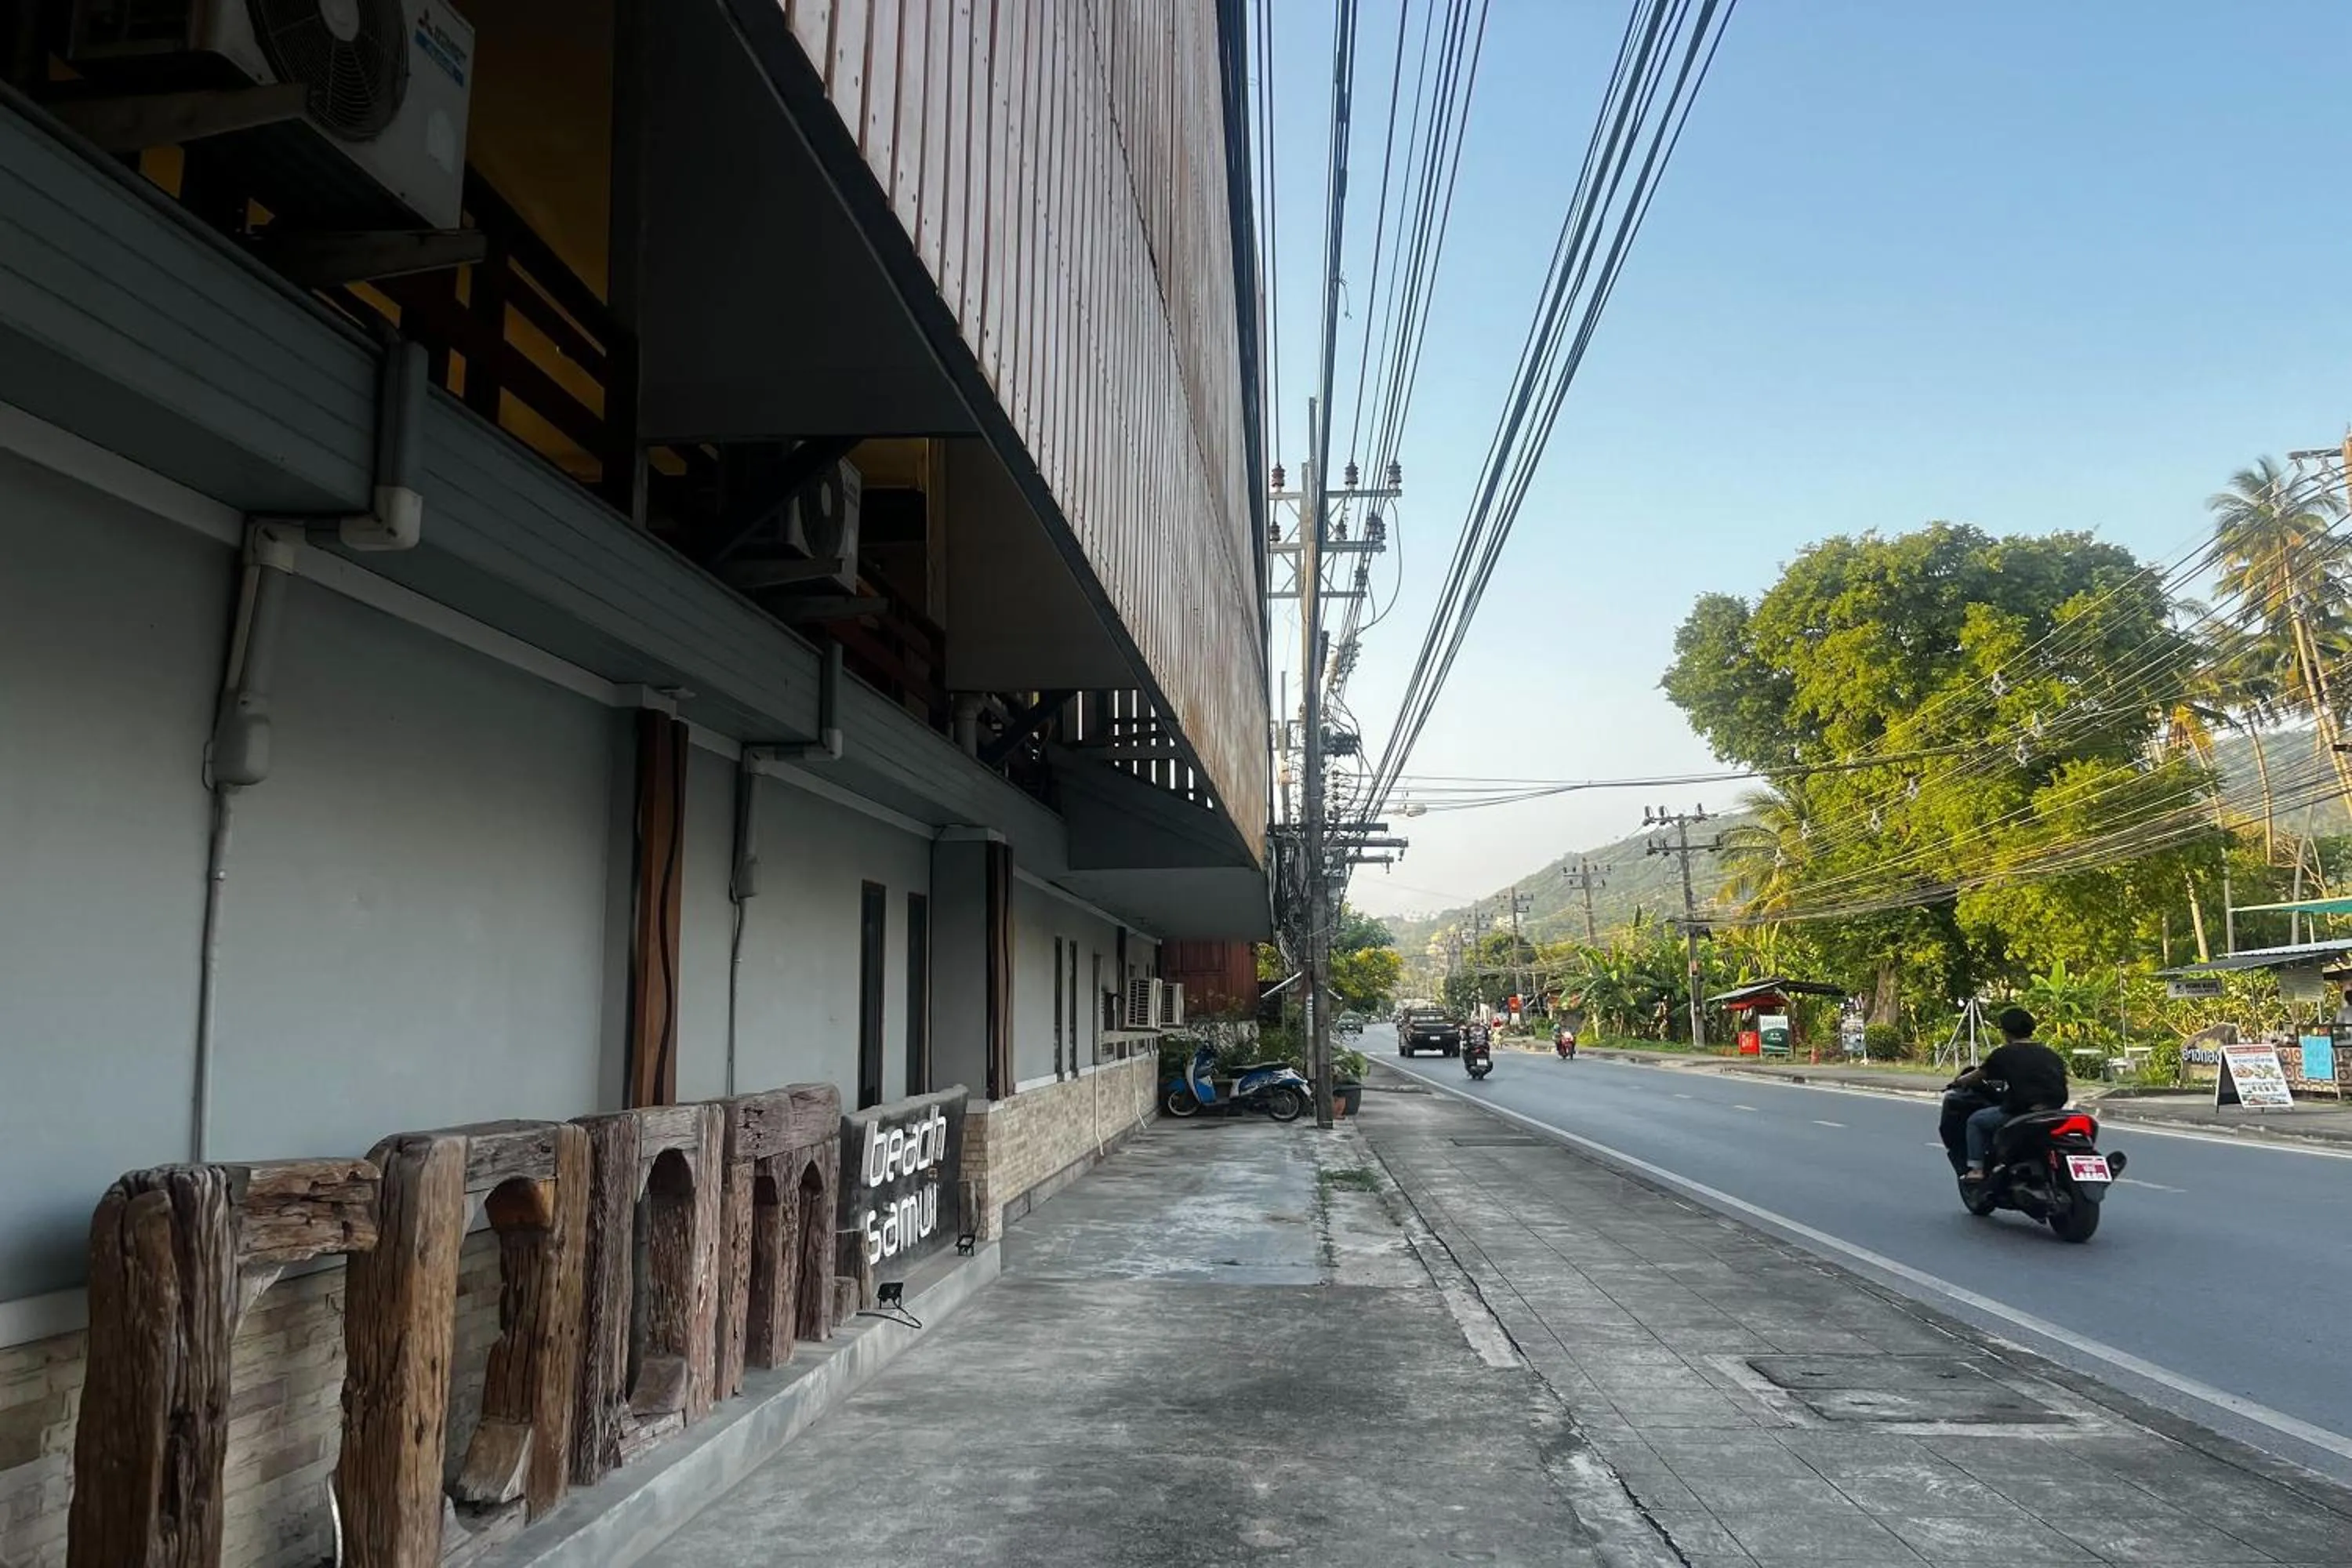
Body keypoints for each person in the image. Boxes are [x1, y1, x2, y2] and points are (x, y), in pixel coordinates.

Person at [1945, 1007, 2068, 1182]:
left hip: (2024, 1112)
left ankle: (1977, 1170)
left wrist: (1959, 1081)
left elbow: (1979, 1075)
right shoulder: (2050, 1054)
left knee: (1975, 1121)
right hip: (2054, 1111)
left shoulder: (2004, 1054)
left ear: (2006, 1031)